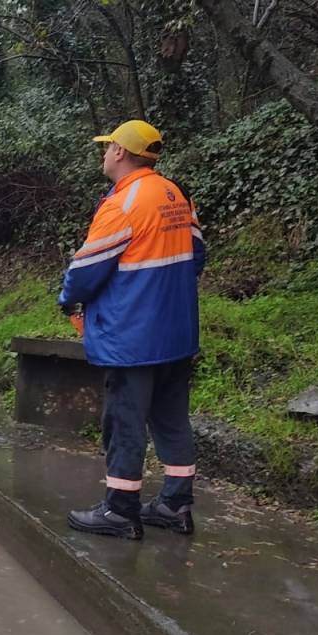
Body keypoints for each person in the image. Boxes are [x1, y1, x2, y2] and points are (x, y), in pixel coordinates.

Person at [58, 120, 205, 540]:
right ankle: (176, 505)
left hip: (132, 337)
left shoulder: (123, 203)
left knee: (125, 421)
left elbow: (85, 272)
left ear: (121, 152)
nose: (103, 154)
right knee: (172, 419)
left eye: (107, 148)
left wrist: (68, 300)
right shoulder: (175, 194)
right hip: (177, 334)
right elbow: (196, 255)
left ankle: (120, 510)